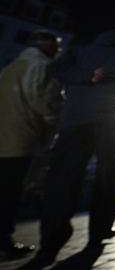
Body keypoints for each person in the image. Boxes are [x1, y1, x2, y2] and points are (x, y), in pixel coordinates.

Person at [19, 29, 115, 269]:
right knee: (106, 176)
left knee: (63, 178)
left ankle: (49, 247)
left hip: (76, 120)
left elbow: (54, 69)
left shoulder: (81, 50)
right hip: (113, 119)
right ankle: (98, 234)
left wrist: (87, 76)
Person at [0, 30, 62, 261]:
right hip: (22, 136)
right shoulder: (43, 66)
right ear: (48, 47)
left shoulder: (12, 66)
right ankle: (3, 241)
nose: (57, 53)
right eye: (56, 48)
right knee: (10, 192)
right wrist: (56, 125)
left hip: (3, 134)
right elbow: (47, 103)